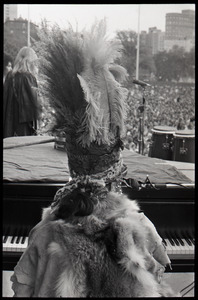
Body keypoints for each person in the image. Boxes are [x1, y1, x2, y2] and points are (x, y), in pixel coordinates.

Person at [10, 21, 177, 297]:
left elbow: (22, 290)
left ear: (71, 164)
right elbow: (161, 265)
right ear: (116, 168)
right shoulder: (141, 227)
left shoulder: (42, 232)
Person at [3, 46, 40, 138]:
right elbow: (34, 105)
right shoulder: (29, 77)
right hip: (23, 126)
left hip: (8, 123)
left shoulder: (9, 76)